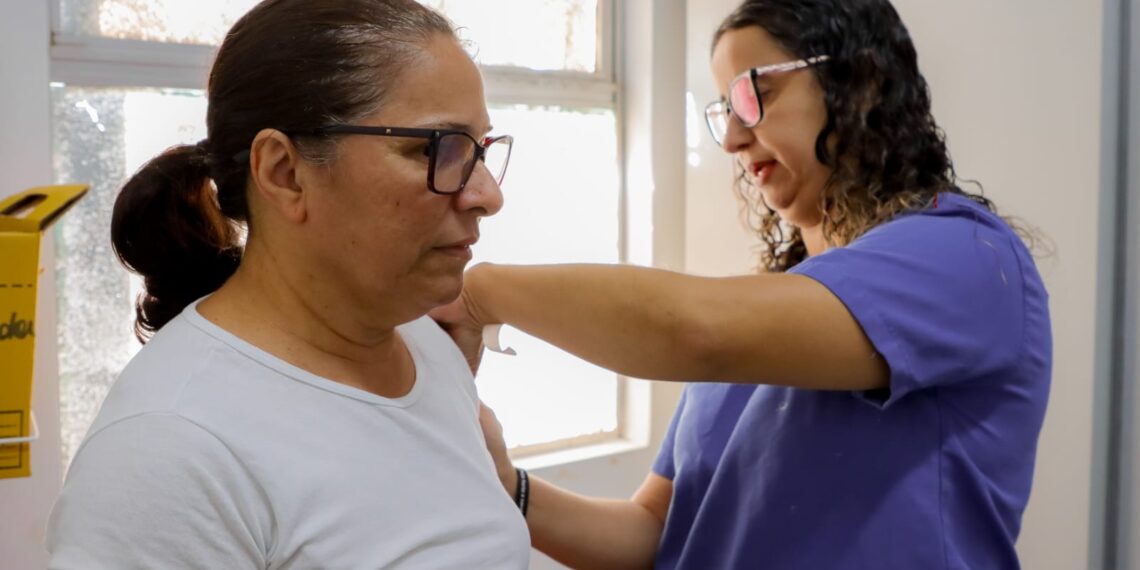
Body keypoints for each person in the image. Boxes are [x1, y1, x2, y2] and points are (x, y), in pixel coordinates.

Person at [433, 0, 1052, 568]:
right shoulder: (771, 308)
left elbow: (695, 330)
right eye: (724, 108)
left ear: (858, 82)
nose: (730, 136)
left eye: (753, 94)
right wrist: (503, 479)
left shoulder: (966, 257)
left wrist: (482, 292)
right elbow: (656, 530)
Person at [45, 0, 529, 568]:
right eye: (437, 149)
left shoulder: (424, 349)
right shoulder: (166, 451)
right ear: (284, 172)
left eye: (480, 150)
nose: (488, 196)